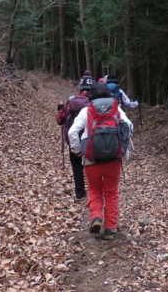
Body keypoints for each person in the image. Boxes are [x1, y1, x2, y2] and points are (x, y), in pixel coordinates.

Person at [68, 81, 133, 240]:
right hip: (112, 159)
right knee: (111, 192)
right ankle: (110, 228)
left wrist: (78, 150)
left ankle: (96, 217)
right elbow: (129, 127)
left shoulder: (86, 111)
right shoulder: (116, 109)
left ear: (91, 96)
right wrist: (124, 149)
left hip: (91, 159)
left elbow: (72, 133)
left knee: (94, 189)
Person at [56, 71, 93, 201]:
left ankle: (80, 193)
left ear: (80, 87)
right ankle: (95, 192)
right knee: (93, 165)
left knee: (76, 165)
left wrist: (60, 109)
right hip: (91, 139)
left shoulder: (71, 101)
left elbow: (60, 120)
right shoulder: (94, 102)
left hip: (74, 139)